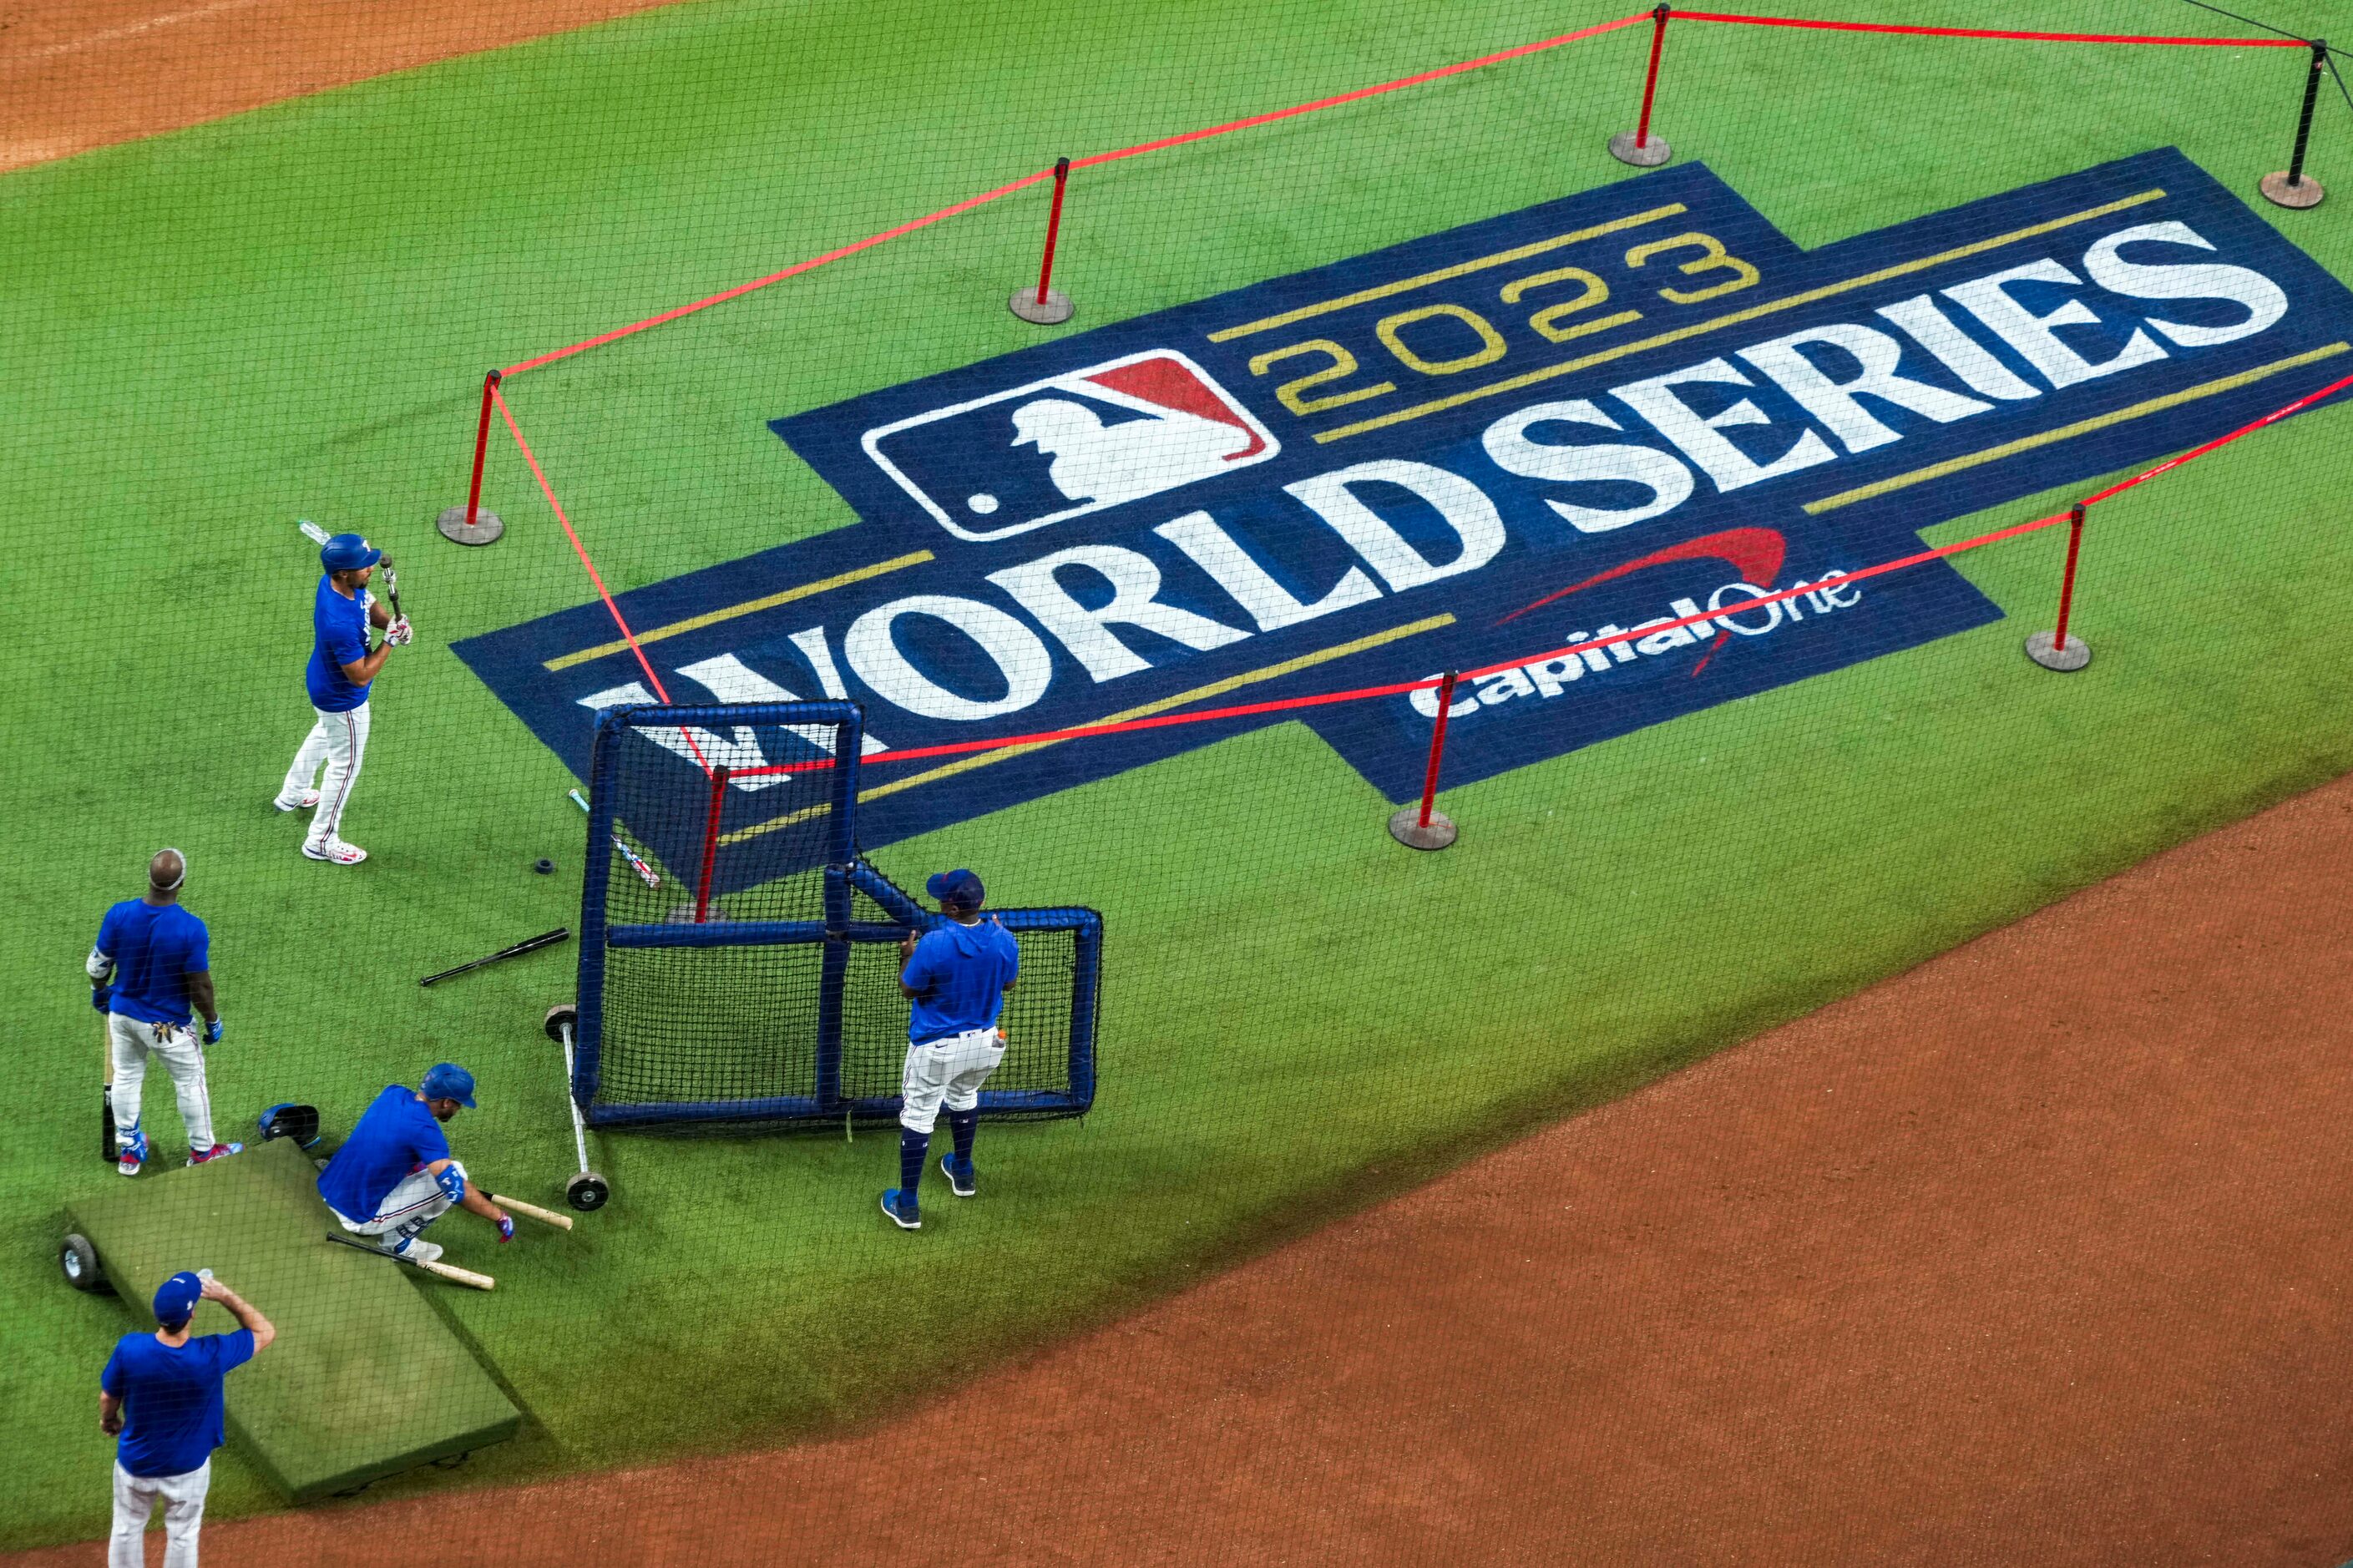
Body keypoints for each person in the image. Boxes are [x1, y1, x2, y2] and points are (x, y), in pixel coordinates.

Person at [100, 1269, 275, 1568]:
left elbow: (108, 1397)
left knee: (127, 1527)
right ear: (192, 1314)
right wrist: (226, 1297)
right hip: (188, 1469)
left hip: (137, 1465)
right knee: (183, 1534)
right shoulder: (211, 1355)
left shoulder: (131, 1348)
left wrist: (109, 1420)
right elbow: (264, 1332)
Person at [881, 869, 1020, 1230]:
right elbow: (1010, 984)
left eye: (943, 899)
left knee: (919, 1116)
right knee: (964, 1095)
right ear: (982, 903)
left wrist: (907, 956)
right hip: (988, 1044)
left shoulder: (934, 943)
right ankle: (963, 1171)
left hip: (937, 1048)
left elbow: (909, 990)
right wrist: (998, 941)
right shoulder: (1004, 938)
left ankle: (907, 1204)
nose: (938, 902)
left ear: (952, 909)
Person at [88, 850, 240, 1176]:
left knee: (126, 1077)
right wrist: (212, 1020)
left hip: (122, 1015)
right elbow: (200, 987)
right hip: (165, 1026)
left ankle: (130, 1149)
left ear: (149, 877)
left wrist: (99, 992)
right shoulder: (191, 928)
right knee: (189, 1081)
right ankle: (202, 1151)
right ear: (182, 883)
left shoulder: (119, 914)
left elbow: (98, 964)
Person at [275, 531, 409, 866]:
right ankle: (321, 840)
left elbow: (367, 604)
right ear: (343, 573)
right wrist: (389, 642)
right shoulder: (338, 623)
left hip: (322, 683)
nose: (371, 568)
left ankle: (292, 795)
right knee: (345, 766)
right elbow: (361, 674)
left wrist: (390, 623)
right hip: (343, 697)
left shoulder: (337, 584)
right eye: (363, 566)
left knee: (325, 734)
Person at [316, 1064, 511, 1263]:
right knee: (454, 1176)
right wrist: (499, 1216)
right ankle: (399, 1244)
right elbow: (456, 1190)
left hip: (328, 1188)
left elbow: (392, 1139)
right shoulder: (425, 1131)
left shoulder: (393, 1093)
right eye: (458, 1104)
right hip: (355, 1216)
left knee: (427, 1166)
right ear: (446, 1102)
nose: (459, 1109)